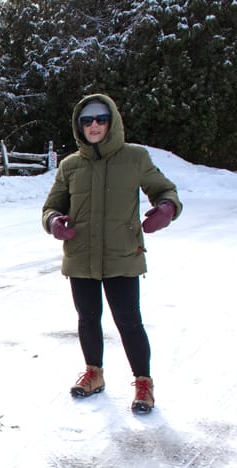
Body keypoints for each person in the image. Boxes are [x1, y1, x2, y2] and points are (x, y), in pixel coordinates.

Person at [41, 93, 181, 414]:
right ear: (80, 125)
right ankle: (94, 374)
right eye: (87, 120)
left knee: (129, 321)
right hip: (80, 256)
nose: (94, 125)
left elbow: (164, 189)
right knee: (88, 319)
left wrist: (166, 208)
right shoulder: (71, 165)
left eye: (100, 119)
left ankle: (143, 384)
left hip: (122, 254)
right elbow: (51, 206)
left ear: (112, 121)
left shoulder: (135, 158)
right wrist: (54, 223)